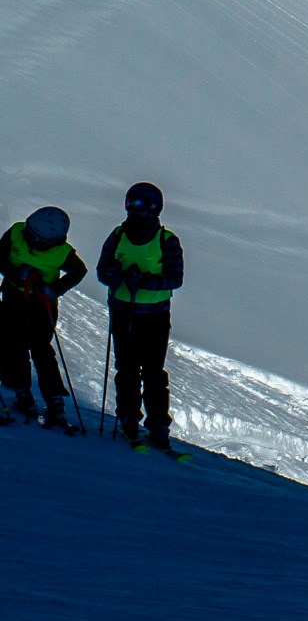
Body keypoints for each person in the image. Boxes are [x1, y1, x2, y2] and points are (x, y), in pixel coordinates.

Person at [94, 183, 185, 448]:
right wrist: (114, 276)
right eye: (130, 204)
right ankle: (129, 418)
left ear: (154, 209)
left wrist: (143, 281)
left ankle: (157, 425)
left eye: (139, 206)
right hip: (124, 312)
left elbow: (175, 279)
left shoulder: (166, 241)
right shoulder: (118, 235)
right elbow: (102, 271)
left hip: (154, 317)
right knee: (128, 369)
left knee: (153, 372)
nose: (133, 211)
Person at [1, 207, 88, 430]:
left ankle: (39, 397)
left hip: (39, 303)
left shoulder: (62, 252)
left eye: (34, 237)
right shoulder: (17, 232)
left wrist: (54, 289)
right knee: (17, 344)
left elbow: (79, 271)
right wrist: (15, 274)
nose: (28, 238)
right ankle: (33, 395)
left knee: (38, 348)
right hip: (18, 298)